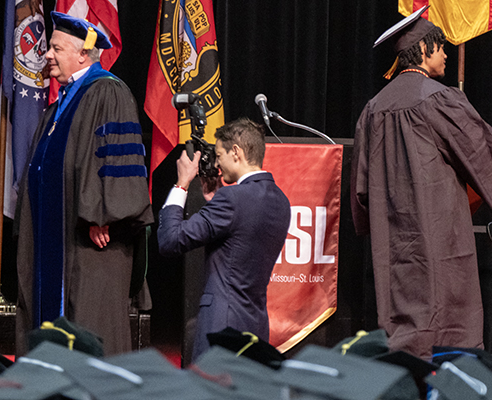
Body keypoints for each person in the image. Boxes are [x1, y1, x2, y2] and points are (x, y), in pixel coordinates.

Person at [352, 6, 492, 359]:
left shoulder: (373, 109)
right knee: (446, 312)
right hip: (438, 228)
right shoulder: (436, 98)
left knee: (402, 315)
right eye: (441, 47)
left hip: (394, 237)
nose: (446, 54)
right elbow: (480, 146)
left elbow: (361, 188)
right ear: (424, 50)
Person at [15, 11, 151, 355]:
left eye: (56, 48)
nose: (47, 55)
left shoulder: (108, 92)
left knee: (90, 323)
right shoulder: (61, 103)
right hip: (56, 240)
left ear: (82, 54)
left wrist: (102, 214)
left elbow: (116, 159)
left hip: (92, 240)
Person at [157, 118, 290, 360]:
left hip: (221, 326)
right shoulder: (280, 200)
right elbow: (241, 236)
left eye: (219, 155)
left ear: (236, 152)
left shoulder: (232, 198)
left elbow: (170, 240)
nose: (217, 164)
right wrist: (214, 203)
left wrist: (182, 183)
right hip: (256, 326)